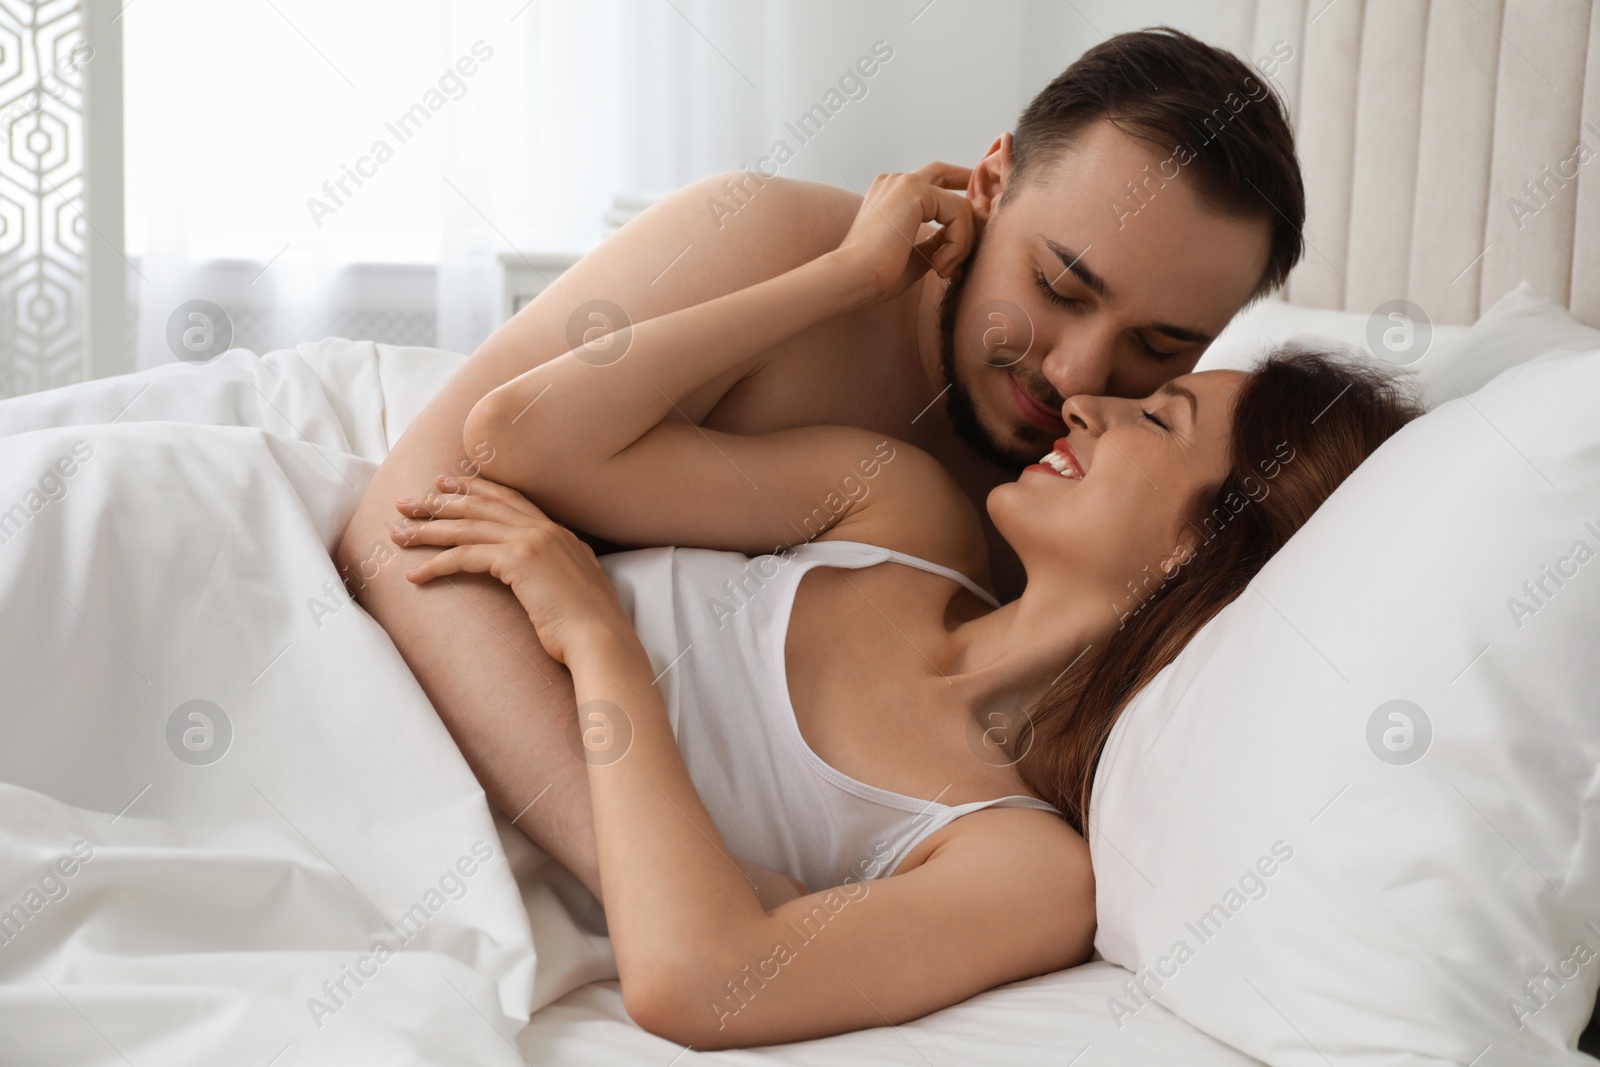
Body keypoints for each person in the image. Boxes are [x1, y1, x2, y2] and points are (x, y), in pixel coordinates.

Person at [382, 168, 1421, 1047]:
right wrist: (845, 275)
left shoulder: (1031, 867)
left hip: (402, 807)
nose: (1084, 398)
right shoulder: (903, 511)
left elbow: (700, 978)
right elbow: (517, 435)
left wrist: (600, 641)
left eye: (1157, 407)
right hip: (382, 642)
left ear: (1207, 541)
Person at [336, 27, 1307, 907]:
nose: (1075, 375)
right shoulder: (769, 240)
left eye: (1161, 347)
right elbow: (404, 516)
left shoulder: (1079, 532)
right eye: (1056, 285)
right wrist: (630, 863)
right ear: (988, 182)